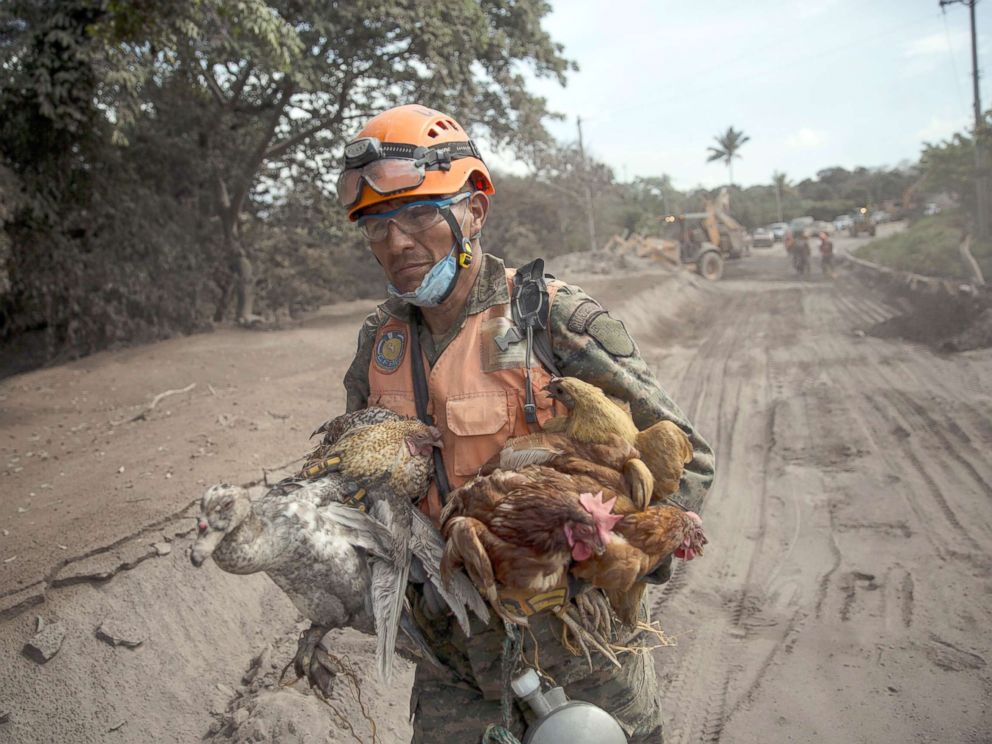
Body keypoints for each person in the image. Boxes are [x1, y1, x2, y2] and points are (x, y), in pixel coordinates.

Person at [338, 104, 715, 743]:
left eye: (419, 214)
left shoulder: (550, 319)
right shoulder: (381, 344)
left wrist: (609, 552)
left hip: (579, 644)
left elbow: (688, 458)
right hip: (453, 652)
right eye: (376, 226)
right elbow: (360, 480)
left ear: (475, 211)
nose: (397, 242)